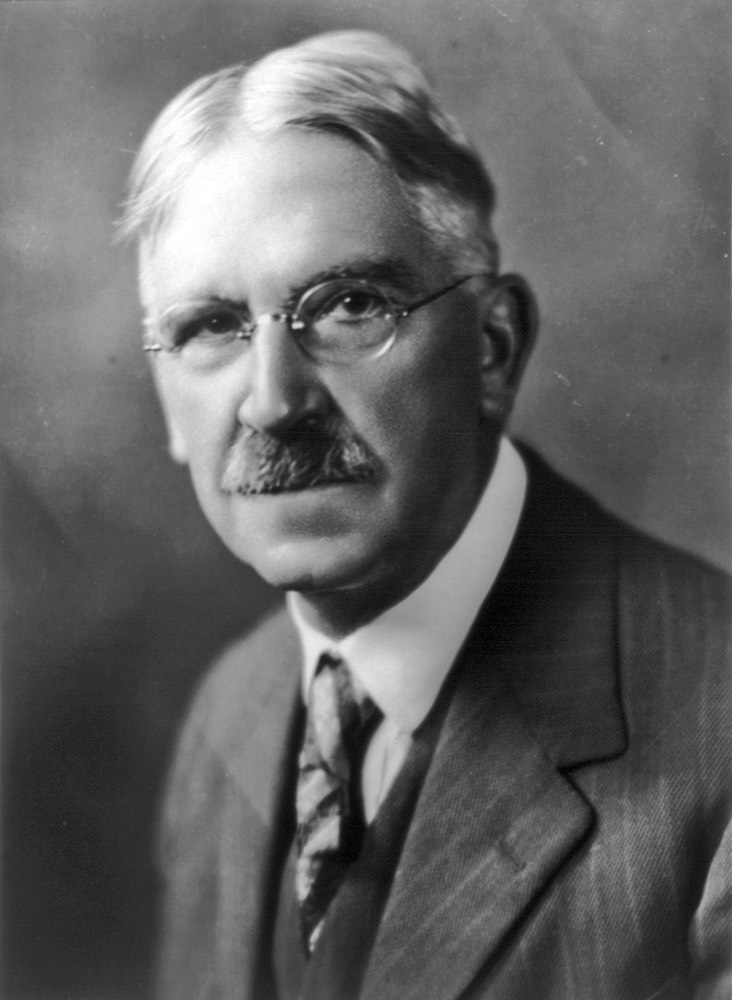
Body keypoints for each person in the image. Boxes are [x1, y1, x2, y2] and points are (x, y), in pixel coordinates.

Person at [120, 30, 731, 1000]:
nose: (273, 401)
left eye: (349, 305)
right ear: (166, 399)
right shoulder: (229, 711)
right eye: (212, 327)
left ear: (493, 347)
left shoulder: (716, 728)